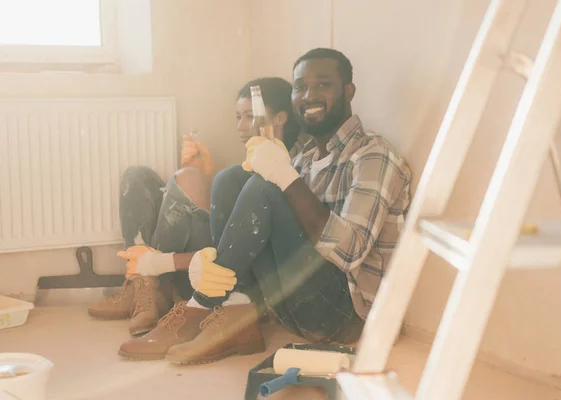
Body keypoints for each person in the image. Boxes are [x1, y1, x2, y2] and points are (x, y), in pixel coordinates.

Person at [118, 48, 412, 364]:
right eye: (300, 87)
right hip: (288, 304)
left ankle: (200, 306)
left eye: (323, 85)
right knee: (232, 176)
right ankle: (236, 315)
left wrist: (284, 176)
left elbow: (351, 251)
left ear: (348, 91)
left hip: (344, 315)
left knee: (265, 186)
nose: (309, 95)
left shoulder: (373, 155)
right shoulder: (306, 158)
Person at [87, 77, 304, 338]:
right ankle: (141, 285)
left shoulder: (287, 170)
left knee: (189, 177)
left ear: (279, 118)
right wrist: (203, 175)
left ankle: (153, 284)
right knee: (138, 175)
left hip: (215, 278)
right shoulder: (253, 161)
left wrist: (160, 263)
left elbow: (237, 252)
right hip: (195, 261)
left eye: (249, 116)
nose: (240, 126)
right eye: (237, 116)